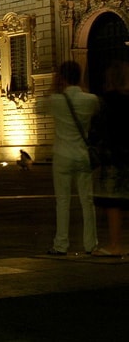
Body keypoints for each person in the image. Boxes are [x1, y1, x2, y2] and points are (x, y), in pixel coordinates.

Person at [47, 60, 100, 255]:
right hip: (82, 155)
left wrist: (55, 86)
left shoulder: (55, 100)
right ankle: (91, 244)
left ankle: (61, 244)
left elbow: (39, 107)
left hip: (62, 155)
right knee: (87, 201)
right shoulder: (91, 99)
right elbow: (96, 111)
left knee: (62, 201)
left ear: (62, 78)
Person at [90, 60, 129, 257]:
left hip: (114, 158)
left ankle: (115, 245)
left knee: (113, 204)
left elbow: (99, 131)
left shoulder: (106, 102)